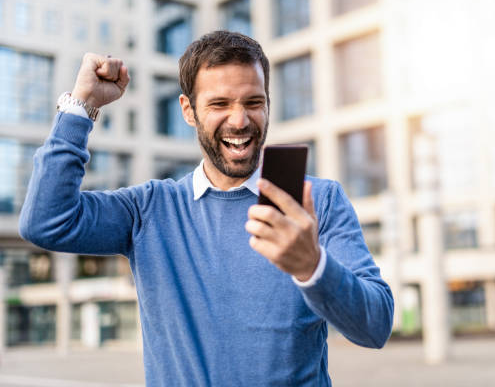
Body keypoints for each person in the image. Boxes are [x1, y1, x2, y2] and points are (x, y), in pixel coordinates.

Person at [19, 30, 394, 386]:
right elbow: (45, 221)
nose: (240, 120)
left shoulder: (316, 201)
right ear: (188, 111)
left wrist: (312, 266)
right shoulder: (149, 209)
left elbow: (375, 325)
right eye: (219, 104)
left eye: (253, 102)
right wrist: (80, 107)